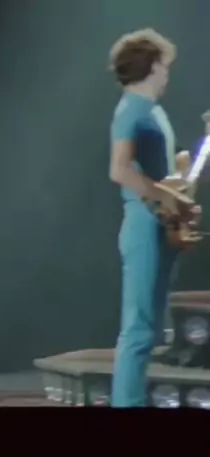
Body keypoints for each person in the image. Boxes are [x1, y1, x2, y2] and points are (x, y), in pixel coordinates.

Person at [107, 29, 197, 407]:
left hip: (160, 222)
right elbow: (119, 169)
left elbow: (168, 172)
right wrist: (164, 196)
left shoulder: (153, 111)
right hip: (144, 224)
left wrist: (181, 199)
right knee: (139, 329)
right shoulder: (132, 109)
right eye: (164, 66)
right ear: (152, 66)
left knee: (150, 329)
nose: (167, 73)